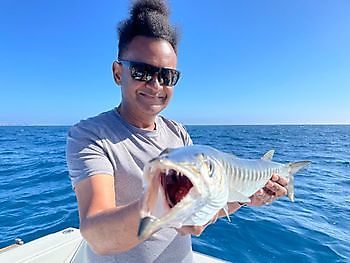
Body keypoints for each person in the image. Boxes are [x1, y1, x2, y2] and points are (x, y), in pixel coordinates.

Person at [66, 0, 289, 262]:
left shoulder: (179, 133)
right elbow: (96, 234)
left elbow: (202, 214)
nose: (156, 85)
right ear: (118, 73)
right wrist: (164, 206)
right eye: (142, 71)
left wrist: (244, 199)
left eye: (167, 76)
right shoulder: (90, 135)